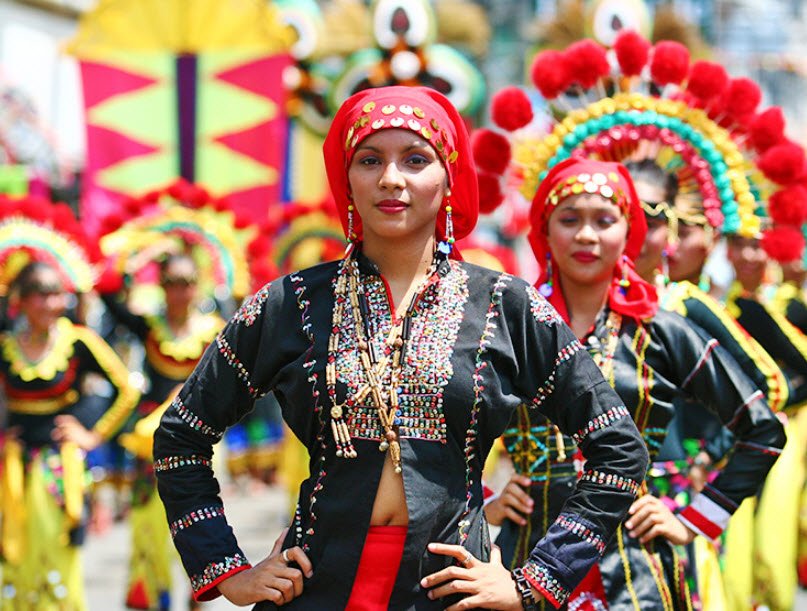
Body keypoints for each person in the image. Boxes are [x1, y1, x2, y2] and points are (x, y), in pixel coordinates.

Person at [153, 85, 650, 610]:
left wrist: (538, 580)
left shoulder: (506, 306)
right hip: (316, 587)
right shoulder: (290, 302)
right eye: (370, 160)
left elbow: (618, 449)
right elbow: (181, 436)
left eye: (416, 159)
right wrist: (227, 570)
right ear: (347, 176)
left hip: (452, 594)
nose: (391, 179)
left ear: (449, 177)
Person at [486, 157, 785, 610]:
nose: (586, 235)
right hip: (525, 557)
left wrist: (695, 518)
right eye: (569, 220)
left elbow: (763, 429)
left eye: (604, 221)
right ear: (544, 231)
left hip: (636, 566)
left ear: (630, 233)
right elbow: (442, 421)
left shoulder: (661, 331)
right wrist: (486, 498)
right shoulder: (509, 330)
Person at [0, 261, 139, 610]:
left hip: (58, 470)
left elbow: (127, 389)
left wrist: (92, 436)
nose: (50, 304)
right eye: (40, 295)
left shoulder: (77, 341)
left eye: (55, 294)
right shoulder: (6, 345)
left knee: (57, 550)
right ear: (21, 300)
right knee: (14, 555)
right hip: (13, 469)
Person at [100, 253, 224, 610]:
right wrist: (132, 262)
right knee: (147, 521)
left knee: (198, 515)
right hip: (150, 444)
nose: (179, 292)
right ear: (161, 286)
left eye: (185, 283)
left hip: (200, 441)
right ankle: (151, 595)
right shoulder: (150, 325)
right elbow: (109, 299)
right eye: (170, 283)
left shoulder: (213, 329)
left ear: (196, 286)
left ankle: (200, 592)